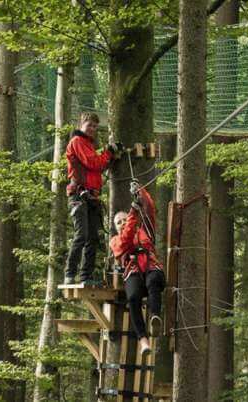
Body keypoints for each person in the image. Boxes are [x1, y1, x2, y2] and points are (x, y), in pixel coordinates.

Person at [110, 183, 165, 354]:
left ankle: (155, 317)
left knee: (153, 281)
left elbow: (149, 208)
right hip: (133, 271)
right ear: (116, 227)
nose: (122, 223)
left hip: (150, 265)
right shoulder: (115, 241)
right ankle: (143, 340)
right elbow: (125, 240)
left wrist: (140, 191)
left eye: (124, 219)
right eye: (119, 222)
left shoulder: (145, 230)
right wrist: (133, 212)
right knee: (133, 297)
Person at [64, 112, 119, 285]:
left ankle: (85, 276)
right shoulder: (77, 142)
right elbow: (93, 163)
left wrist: (109, 154)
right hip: (79, 195)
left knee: (93, 238)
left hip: (91, 196)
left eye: (95, 126)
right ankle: (69, 274)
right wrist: (108, 153)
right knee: (82, 235)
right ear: (82, 124)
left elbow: (97, 165)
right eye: (90, 125)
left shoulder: (89, 145)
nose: (93, 129)